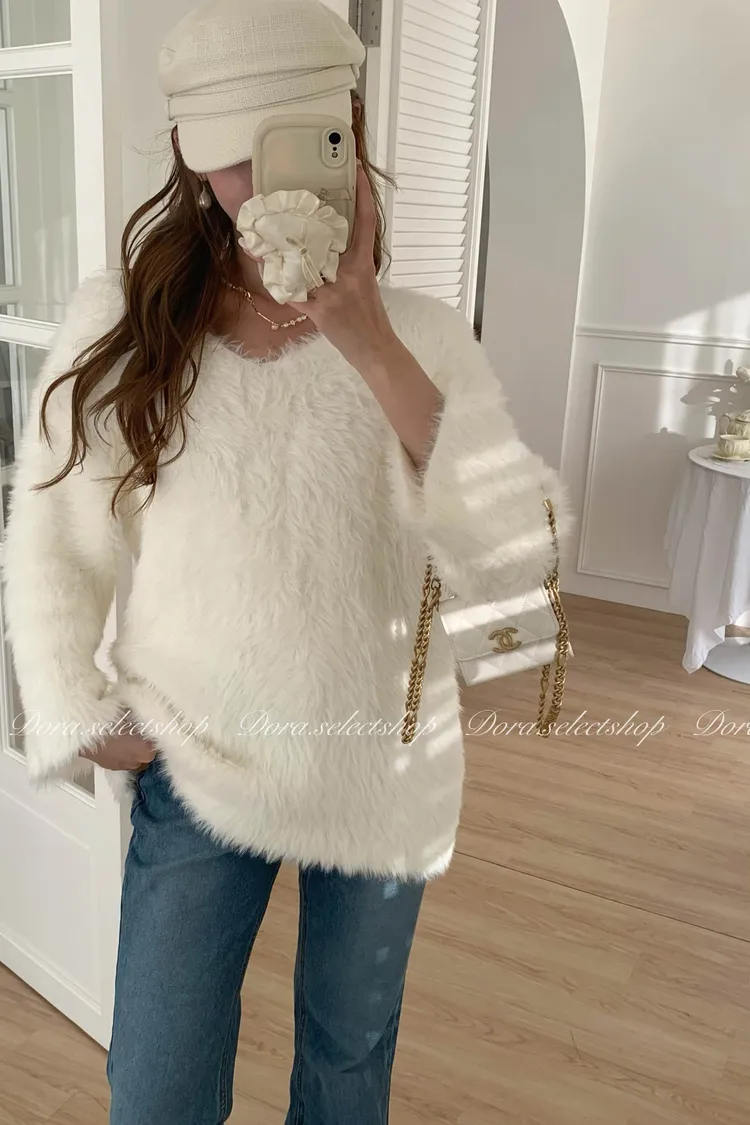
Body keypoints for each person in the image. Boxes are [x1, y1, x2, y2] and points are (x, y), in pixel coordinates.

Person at [2, 1, 571, 1122]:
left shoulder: (423, 337)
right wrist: (73, 706)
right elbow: (55, 532)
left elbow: (519, 580)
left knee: (346, 1075)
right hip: (201, 762)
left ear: (349, 128)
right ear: (185, 149)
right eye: (233, 154)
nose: (264, 185)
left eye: (299, 140)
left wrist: (370, 342)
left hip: (385, 768)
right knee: (156, 1086)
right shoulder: (127, 325)